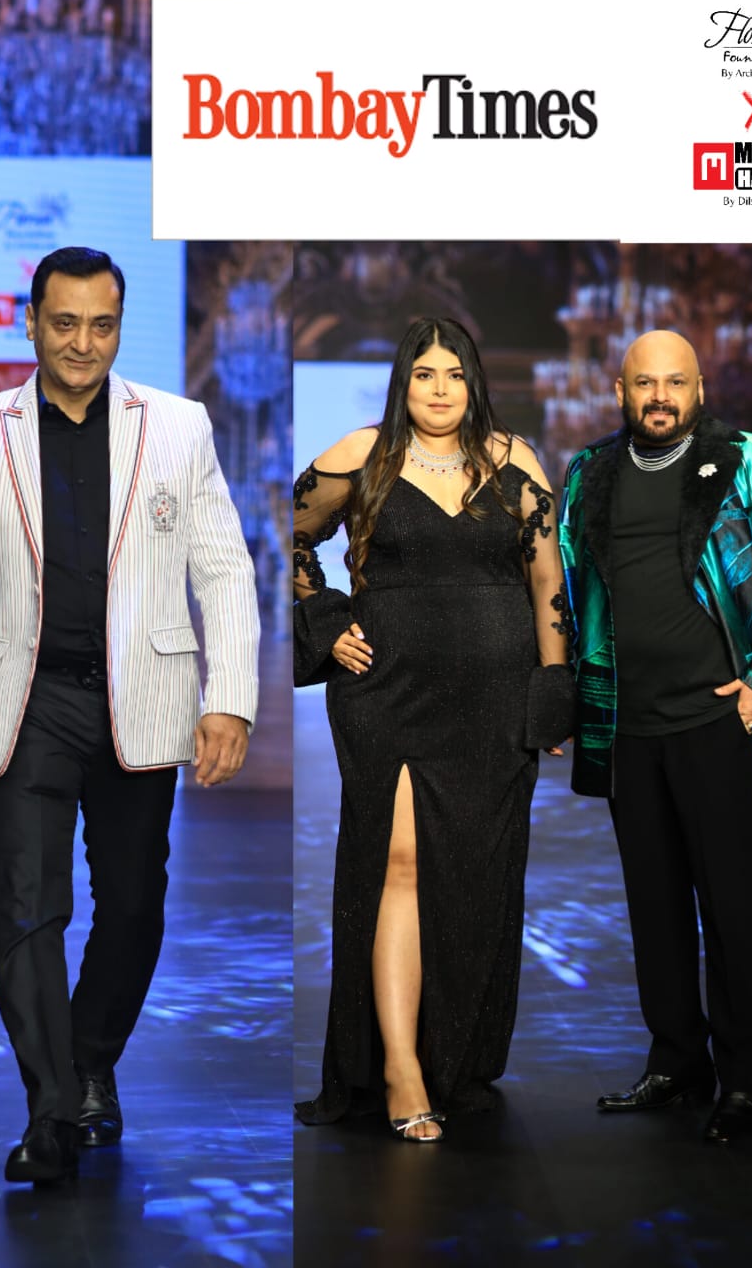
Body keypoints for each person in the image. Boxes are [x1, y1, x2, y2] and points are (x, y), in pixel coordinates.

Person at [0, 246, 260, 1183]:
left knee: (135, 906)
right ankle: (51, 1112)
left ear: (118, 327)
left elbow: (225, 570)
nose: (82, 343)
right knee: (29, 907)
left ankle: (91, 1057)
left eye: (101, 325)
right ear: (30, 323)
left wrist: (230, 698)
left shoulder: (178, 426)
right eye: (63, 323)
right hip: (27, 701)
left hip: (140, 697)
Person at [292, 317, 572, 1142]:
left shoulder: (516, 461)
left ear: (473, 382)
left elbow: (548, 580)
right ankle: (399, 1066)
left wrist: (554, 688)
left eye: (454, 373)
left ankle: (454, 1053)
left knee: (477, 880)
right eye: (424, 374)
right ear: (403, 383)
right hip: (389, 695)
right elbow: (289, 533)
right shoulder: (365, 454)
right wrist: (326, 623)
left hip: (494, 701)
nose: (440, 388)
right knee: (401, 865)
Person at [558, 329, 752, 1143]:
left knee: (733, 906)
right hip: (627, 724)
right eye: (645, 383)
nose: (661, 397)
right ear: (620, 392)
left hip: (716, 719)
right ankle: (677, 1060)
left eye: (676, 382)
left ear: (700, 389)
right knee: (654, 903)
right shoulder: (589, 472)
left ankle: (744, 1082)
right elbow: (570, 590)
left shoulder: (751, 460)